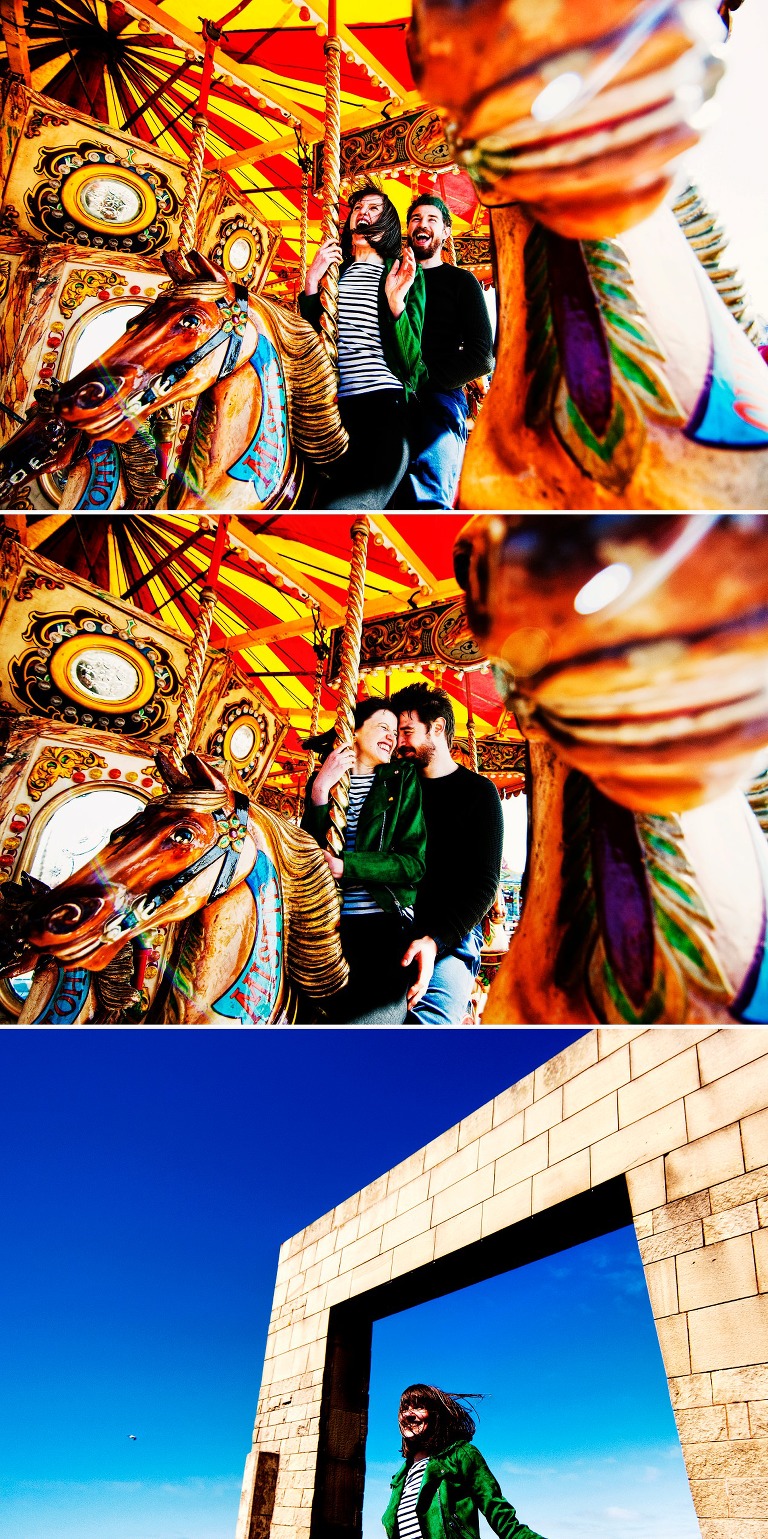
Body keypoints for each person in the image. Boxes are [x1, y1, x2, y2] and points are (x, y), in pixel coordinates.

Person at [299, 185, 427, 509]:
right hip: (334, 409)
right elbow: (314, 341)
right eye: (356, 208)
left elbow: (412, 362)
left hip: (383, 407)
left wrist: (396, 303)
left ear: (388, 223)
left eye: (372, 208)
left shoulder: (399, 273)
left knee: (341, 507)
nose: (362, 213)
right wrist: (312, 284)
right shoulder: (334, 275)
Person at [301, 698, 427, 1024]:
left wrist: (348, 866)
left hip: (383, 927)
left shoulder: (401, 780)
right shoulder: (323, 781)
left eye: (396, 732)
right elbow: (308, 854)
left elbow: (413, 863)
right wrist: (319, 792)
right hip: (326, 925)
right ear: (353, 731)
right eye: (383, 727)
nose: (393, 737)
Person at [391, 683, 503, 1026]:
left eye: (408, 732)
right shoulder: (395, 790)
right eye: (396, 734)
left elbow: (485, 884)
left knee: (429, 1024)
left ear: (437, 728)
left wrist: (435, 940)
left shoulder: (478, 794)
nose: (400, 743)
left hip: (451, 936)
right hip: (392, 927)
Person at [394, 194, 494, 509]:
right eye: (415, 219)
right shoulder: (392, 279)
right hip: (388, 393)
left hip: (438, 395)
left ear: (445, 232)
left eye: (431, 220)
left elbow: (482, 356)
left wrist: (426, 380)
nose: (422, 225)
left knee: (425, 491)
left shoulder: (461, 282)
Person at [383, 1384, 547, 1539]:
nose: (409, 1414)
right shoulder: (400, 1478)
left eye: (419, 1407)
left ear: (435, 1414)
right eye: (404, 1409)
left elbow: (500, 1516)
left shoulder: (461, 1455)